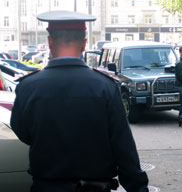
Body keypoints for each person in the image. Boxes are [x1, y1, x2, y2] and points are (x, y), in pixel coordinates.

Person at [10, 10, 149, 192]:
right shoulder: (105, 86)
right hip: (95, 188)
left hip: (47, 187)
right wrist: (138, 188)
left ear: (50, 42)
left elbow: (23, 132)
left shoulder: (28, 86)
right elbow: (123, 145)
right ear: (84, 44)